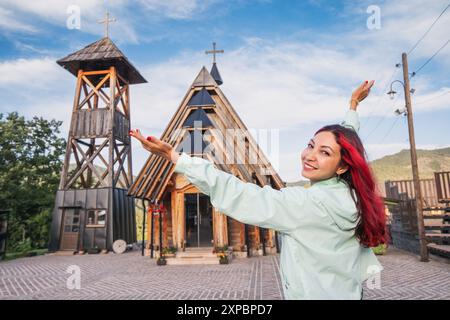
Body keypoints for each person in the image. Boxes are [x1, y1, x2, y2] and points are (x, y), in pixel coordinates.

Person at [129, 80, 387, 300]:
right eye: (311, 145)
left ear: (342, 165)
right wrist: (353, 106)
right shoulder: (350, 192)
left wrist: (175, 156)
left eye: (324, 153)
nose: (309, 155)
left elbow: (240, 193)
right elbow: (347, 138)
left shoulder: (305, 204)